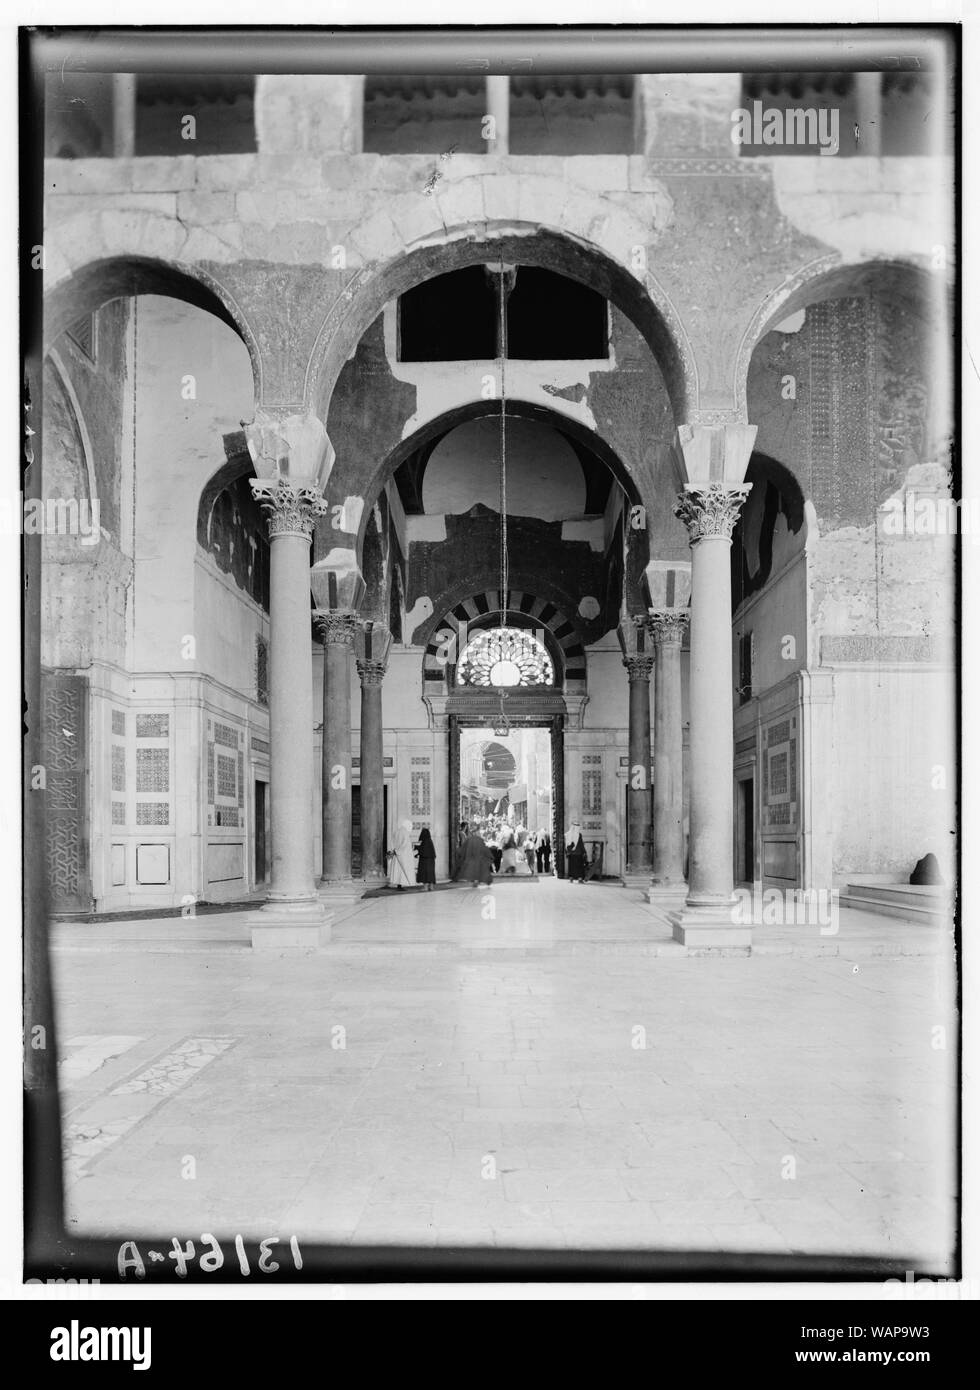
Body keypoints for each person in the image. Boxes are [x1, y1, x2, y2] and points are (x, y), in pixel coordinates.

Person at [387, 818, 415, 890]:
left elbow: (392, 842)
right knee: (402, 871)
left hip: (396, 855)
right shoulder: (405, 833)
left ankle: (399, 885)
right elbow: (405, 844)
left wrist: (394, 851)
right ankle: (400, 886)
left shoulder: (396, 831)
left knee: (397, 870)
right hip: (403, 855)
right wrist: (399, 851)